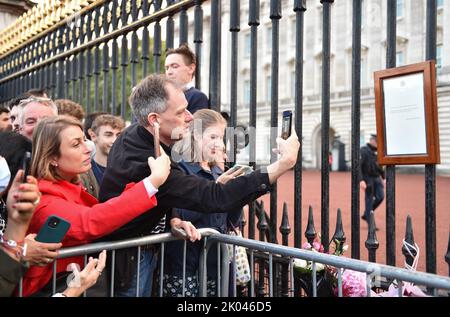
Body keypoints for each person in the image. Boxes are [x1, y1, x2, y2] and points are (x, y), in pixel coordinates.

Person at [99, 74, 300, 297]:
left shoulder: (139, 136)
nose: (188, 117)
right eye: (180, 112)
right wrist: (284, 163)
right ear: (154, 119)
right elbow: (214, 197)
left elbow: (165, 194)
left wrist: (172, 217)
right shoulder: (145, 160)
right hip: (130, 260)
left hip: (142, 252)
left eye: (187, 108)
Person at [21, 115, 171, 297]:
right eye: (76, 144)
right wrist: (152, 182)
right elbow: (91, 220)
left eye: (84, 140)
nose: (87, 148)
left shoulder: (66, 186)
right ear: (52, 157)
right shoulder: (44, 199)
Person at [163, 109, 242, 297]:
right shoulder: (180, 168)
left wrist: (236, 194)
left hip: (215, 264)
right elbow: (182, 216)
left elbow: (231, 220)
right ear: (196, 136)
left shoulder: (217, 170)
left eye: (221, 137)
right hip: (183, 264)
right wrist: (215, 189)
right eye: (213, 136)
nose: (218, 143)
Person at [165, 44, 209, 113]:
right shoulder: (163, 96)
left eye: (175, 66)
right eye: (167, 68)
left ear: (191, 68)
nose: (169, 72)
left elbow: (198, 124)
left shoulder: (197, 97)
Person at [88, 115, 125, 185]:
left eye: (118, 135)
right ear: (93, 136)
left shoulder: (126, 169)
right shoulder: (85, 172)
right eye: (108, 135)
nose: (114, 140)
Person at [360, 134, 385, 228]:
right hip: (368, 178)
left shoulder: (377, 152)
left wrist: (384, 176)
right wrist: (361, 180)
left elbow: (379, 166)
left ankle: (367, 213)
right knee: (369, 200)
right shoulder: (363, 150)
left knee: (380, 197)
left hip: (377, 178)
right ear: (372, 141)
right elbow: (358, 166)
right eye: (377, 142)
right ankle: (371, 224)